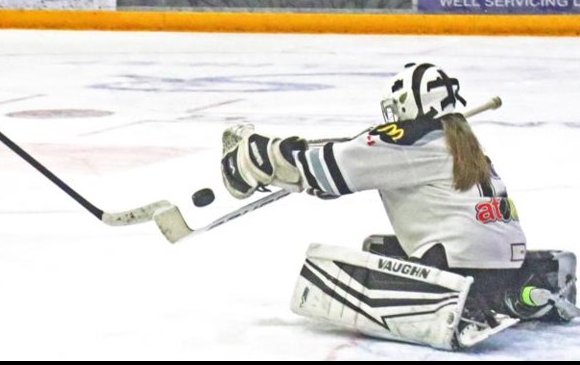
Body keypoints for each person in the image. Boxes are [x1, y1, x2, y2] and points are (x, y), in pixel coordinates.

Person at [220, 62, 577, 350]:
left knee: (335, 268)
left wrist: (256, 153)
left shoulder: (410, 141)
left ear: (406, 104)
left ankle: (476, 301)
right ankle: (515, 296)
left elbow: (326, 166)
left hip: (457, 269)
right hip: (507, 263)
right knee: (379, 246)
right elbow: (341, 176)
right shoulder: (464, 143)